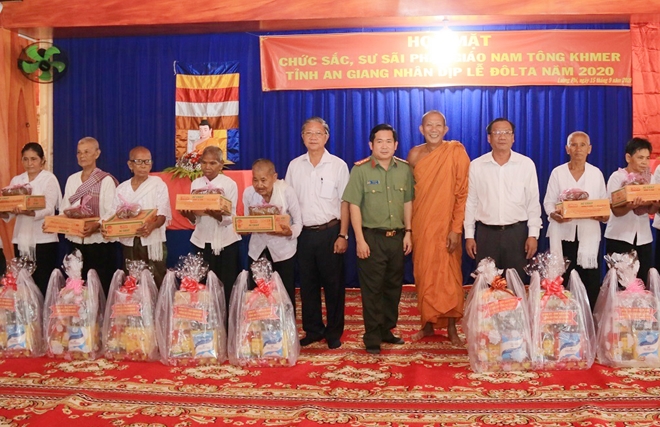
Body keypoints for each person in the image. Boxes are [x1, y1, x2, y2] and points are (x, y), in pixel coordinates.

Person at [343, 123, 414, 354]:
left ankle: (386, 330)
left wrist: (409, 232)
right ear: (371, 144)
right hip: (371, 238)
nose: (384, 146)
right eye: (379, 141)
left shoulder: (404, 169)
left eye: (388, 141)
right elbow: (353, 205)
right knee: (372, 289)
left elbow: (408, 202)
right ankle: (372, 336)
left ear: (396, 145)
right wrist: (359, 239)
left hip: (397, 238)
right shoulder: (360, 170)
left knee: (393, 287)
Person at [285, 117, 350, 349]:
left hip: (330, 232)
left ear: (326, 136)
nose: (313, 137)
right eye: (308, 133)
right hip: (304, 234)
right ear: (302, 137)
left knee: (334, 285)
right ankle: (313, 330)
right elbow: (288, 201)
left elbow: (345, 202)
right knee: (308, 285)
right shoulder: (294, 166)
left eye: (318, 133)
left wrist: (343, 235)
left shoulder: (338, 165)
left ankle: (333, 332)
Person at [406, 111, 469, 344]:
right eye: (429, 125)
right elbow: (409, 193)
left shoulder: (456, 152)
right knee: (424, 275)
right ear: (421, 129)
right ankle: (427, 325)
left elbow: (462, 193)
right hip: (422, 223)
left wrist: (456, 229)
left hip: (446, 225)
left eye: (438, 125)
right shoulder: (414, 154)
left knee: (448, 277)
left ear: (445, 129)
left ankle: (452, 328)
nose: (433, 130)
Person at [464, 118, 542, 281]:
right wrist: (469, 235)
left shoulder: (525, 164)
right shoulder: (477, 165)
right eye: (497, 132)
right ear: (489, 138)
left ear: (513, 137)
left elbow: (533, 202)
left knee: (516, 284)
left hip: (517, 235)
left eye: (507, 132)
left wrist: (533, 234)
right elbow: (471, 202)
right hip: (486, 235)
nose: (502, 137)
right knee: (486, 285)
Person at [544, 131, 608, 311]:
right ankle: (564, 320)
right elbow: (548, 202)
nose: (578, 149)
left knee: (590, 281)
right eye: (573, 144)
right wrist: (554, 214)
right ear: (567, 149)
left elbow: (604, 203)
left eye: (582, 145)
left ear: (589, 149)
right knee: (563, 279)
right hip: (563, 234)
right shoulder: (558, 173)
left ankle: (588, 320)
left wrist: (603, 215)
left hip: (588, 235)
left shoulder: (596, 173)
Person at [179, 146, 241, 307]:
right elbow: (196, 218)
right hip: (202, 241)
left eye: (212, 163)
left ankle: (227, 318)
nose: (207, 167)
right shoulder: (196, 183)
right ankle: (207, 318)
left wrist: (217, 215)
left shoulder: (229, 184)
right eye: (204, 163)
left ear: (221, 164)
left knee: (226, 285)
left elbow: (231, 217)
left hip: (226, 242)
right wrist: (188, 215)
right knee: (203, 286)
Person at [60, 137, 119, 295]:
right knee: (77, 285)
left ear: (97, 154)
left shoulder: (106, 180)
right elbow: (65, 208)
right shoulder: (72, 179)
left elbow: (112, 210)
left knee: (100, 285)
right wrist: (59, 222)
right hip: (75, 240)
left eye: (86, 152)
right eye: (79, 152)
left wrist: (97, 225)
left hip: (100, 243)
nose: (82, 156)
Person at [242, 158, 302, 312]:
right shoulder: (248, 193)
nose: (259, 185)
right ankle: (259, 324)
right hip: (257, 250)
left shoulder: (287, 192)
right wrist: (243, 228)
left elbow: (298, 223)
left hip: (283, 252)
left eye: (263, 180)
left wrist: (289, 232)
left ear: (274, 177)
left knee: (284, 295)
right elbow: (247, 221)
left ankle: (286, 325)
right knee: (257, 294)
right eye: (255, 180)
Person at [1, 142, 62, 295]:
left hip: (43, 239)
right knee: (23, 286)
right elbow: (10, 212)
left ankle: (44, 310)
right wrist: (4, 211)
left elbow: (49, 208)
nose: (29, 163)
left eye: (33, 159)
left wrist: (29, 212)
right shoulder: (17, 180)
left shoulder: (49, 179)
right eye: (25, 159)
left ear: (42, 160)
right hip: (20, 239)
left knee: (43, 283)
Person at [108, 146, 171, 286]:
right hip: (129, 242)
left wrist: (152, 226)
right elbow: (114, 215)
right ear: (130, 164)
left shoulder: (158, 184)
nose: (143, 165)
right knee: (132, 280)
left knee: (156, 278)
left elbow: (163, 213)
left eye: (147, 161)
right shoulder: (122, 188)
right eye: (139, 161)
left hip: (152, 241)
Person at [605, 137, 658, 281]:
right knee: (620, 282)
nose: (644, 162)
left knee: (643, 282)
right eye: (640, 157)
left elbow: (651, 210)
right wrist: (630, 206)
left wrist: (656, 203)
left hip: (644, 238)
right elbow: (615, 211)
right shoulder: (617, 177)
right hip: (619, 237)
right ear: (628, 157)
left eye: (647, 158)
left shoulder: (650, 178)